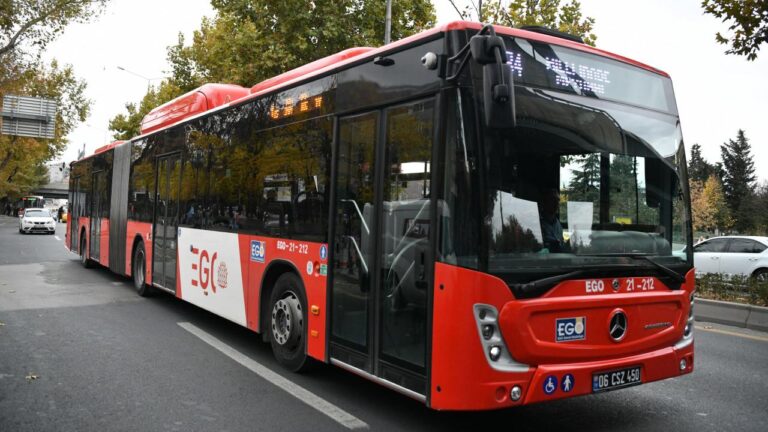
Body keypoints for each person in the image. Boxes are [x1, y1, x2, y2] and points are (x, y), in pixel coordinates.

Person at [539, 188, 565, 252]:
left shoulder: (558, 224)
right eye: (552, 200)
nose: (556, 203)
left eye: (558, 200)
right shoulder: (538, 223)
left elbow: (561, 244)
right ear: (545, 202)